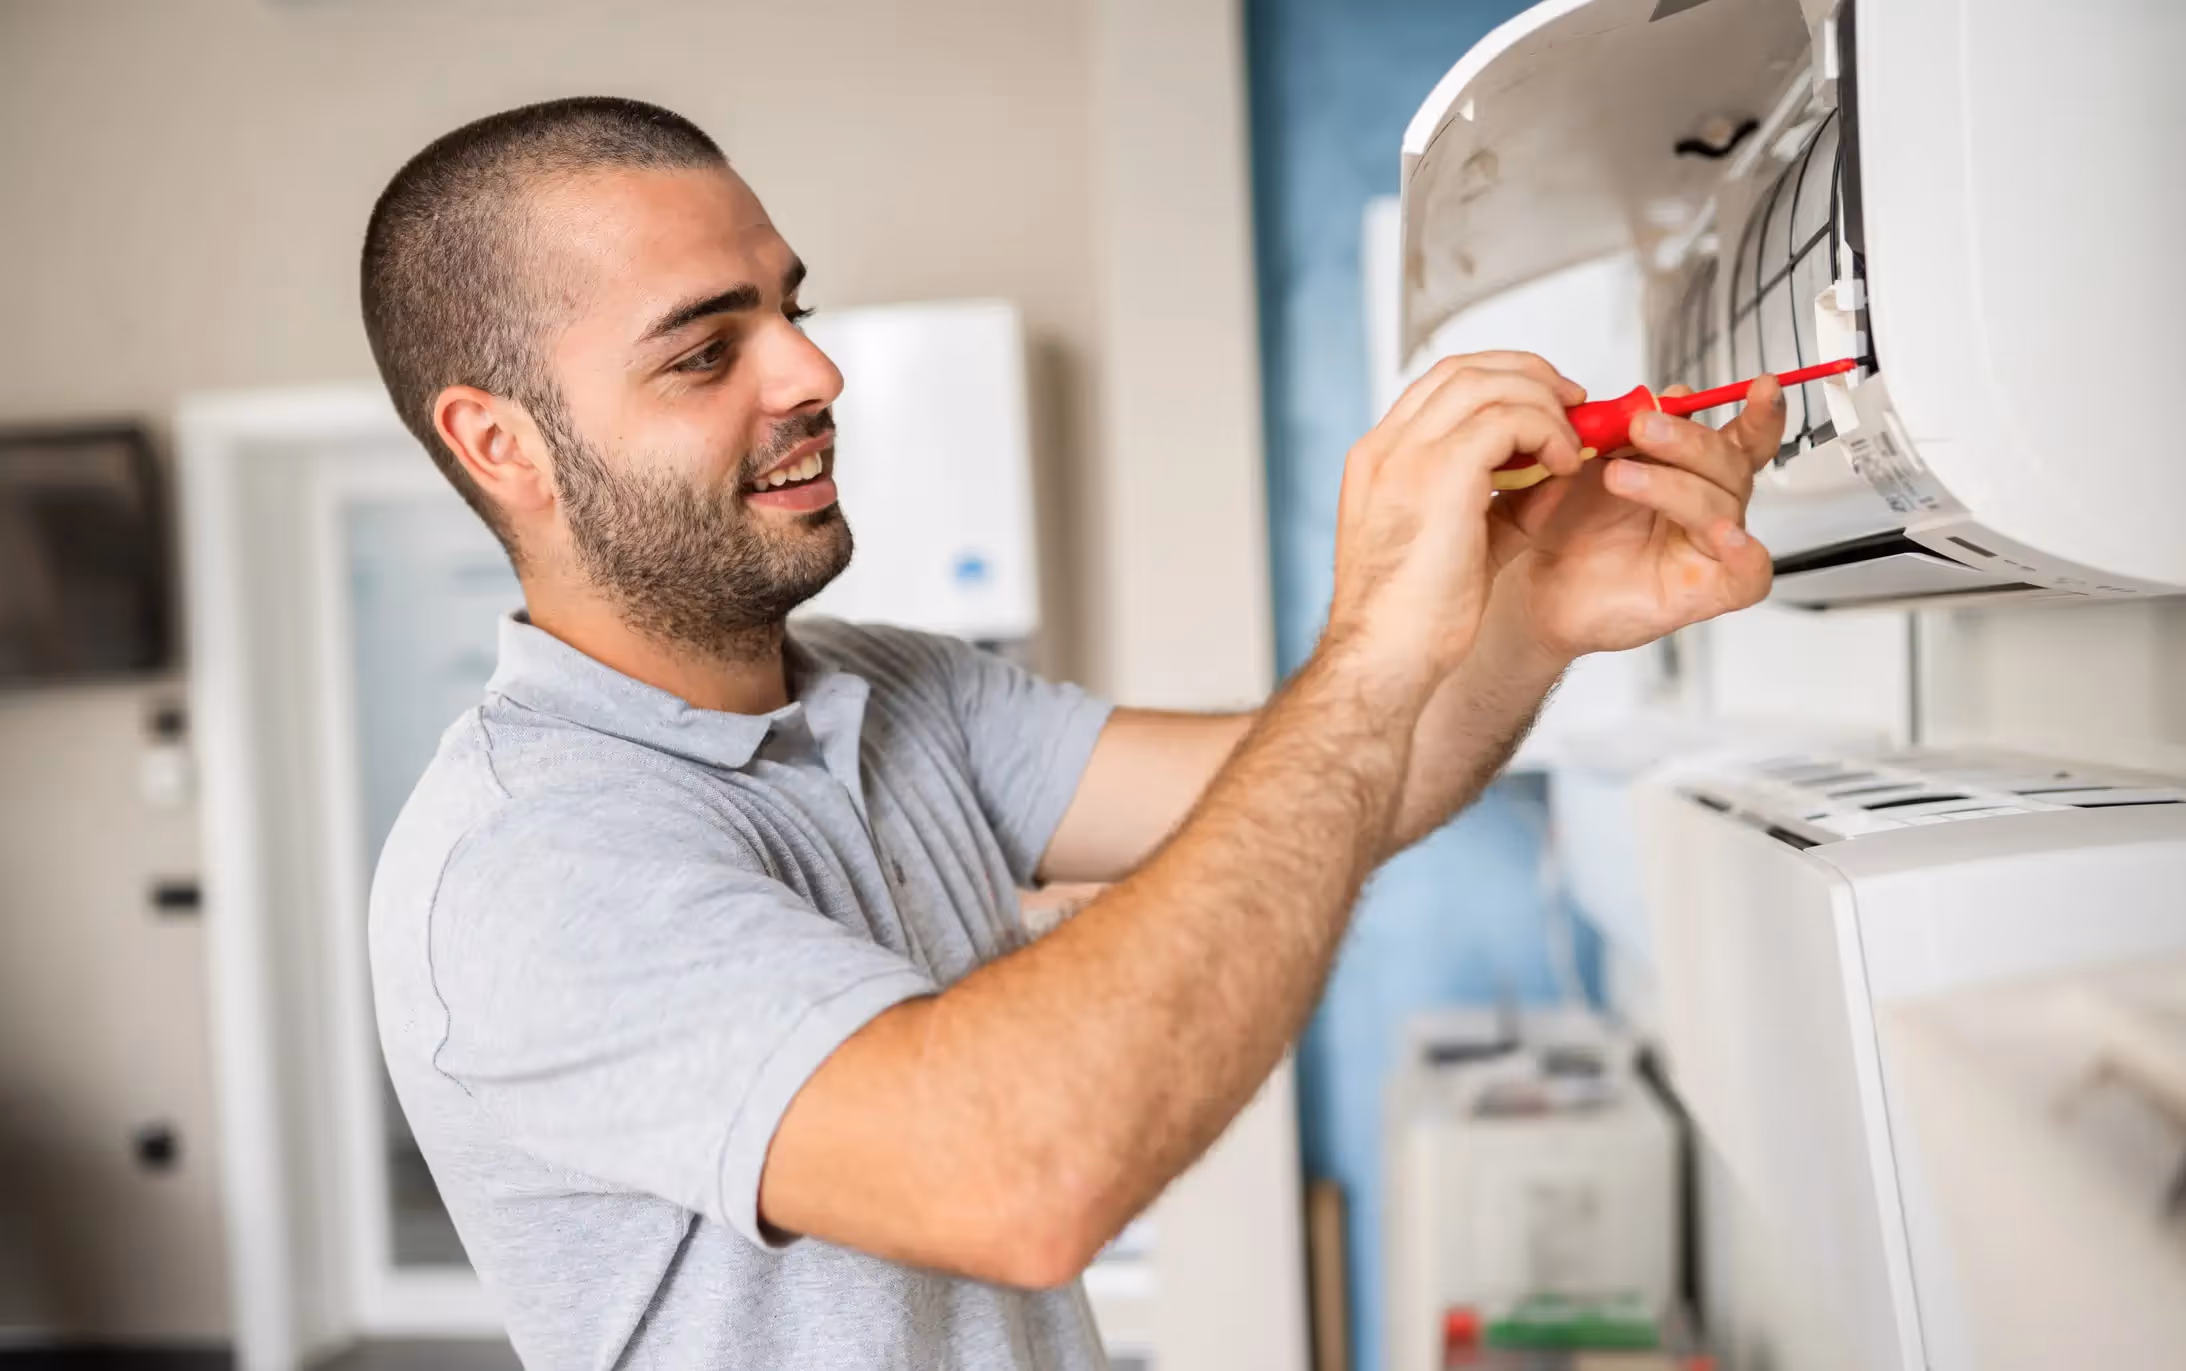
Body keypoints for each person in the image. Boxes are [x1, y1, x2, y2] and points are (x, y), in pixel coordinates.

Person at [359, 96, 1783, 1370]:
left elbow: (1356, 780)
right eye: (705, 349)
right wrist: (1369, 647)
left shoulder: (889, 690)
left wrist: (1533, 611)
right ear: (502, 443)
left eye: (792, 307)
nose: (809, 374)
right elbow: (1019, 1173)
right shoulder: (526, 862)